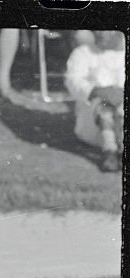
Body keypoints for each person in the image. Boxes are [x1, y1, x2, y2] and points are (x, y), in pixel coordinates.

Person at [65, 30, 125, 172]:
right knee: (105, 105)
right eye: (97, 30)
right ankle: (109, 151)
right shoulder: (83, 53)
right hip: (94, 122)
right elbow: (73, 81)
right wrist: (96, 91)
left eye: (106, 30)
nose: (99, 33)